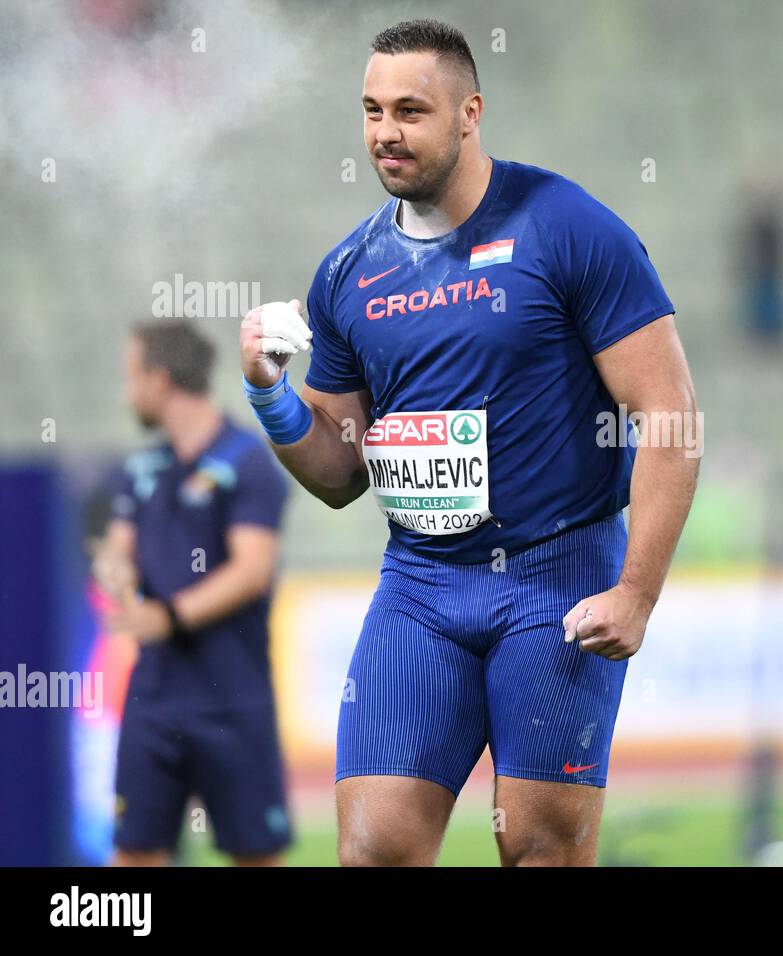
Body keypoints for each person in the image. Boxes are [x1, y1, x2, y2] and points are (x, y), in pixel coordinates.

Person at [238, 19, 700, 866]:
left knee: (539, 849)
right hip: (419, 588)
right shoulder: (348, 271)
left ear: (469, 113)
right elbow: (339, 473)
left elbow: (669, 416)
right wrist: (268, 394)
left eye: (411, 110)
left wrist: (637, 592)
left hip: (554, 582)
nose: (386, 132)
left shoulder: (567, 228)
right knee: (372, 849)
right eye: (372, 110)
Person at [95, 321, 292, 866]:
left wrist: (170, 616)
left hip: (232, 700)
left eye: (131, 376)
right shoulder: (141, 469)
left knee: (255, 856)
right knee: (133, 853)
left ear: (159, 380)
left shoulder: (246, 462)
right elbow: (117, 548)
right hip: (153, 700)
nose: (127, 391)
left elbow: (252, 570)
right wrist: (113, 570)